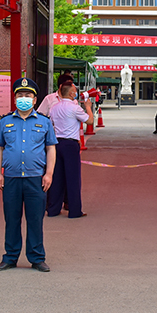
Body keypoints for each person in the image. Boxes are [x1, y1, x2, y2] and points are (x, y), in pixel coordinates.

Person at [0, 77, 57, 272]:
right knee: (11, 219)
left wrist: (49, 174)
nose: (24, 98)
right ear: (14, 99)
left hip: (35, 177)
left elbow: (51, 149)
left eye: (28, 95)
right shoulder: (5, 122)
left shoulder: (44, 122)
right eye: (20, 95)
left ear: (35, 99)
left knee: (35, 219)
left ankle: (37, 257)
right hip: (11, 177)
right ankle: (10, 257)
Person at [45, 72, 91, 219]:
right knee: (73, 178)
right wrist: (88, 107)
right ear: (71, 94)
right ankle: (74, 210)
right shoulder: (75, 107)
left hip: (56, 144)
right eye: (75, 92)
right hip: (71, 144)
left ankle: (53, 208)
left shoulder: (54, 108)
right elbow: (89, 121)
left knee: (57, 177)